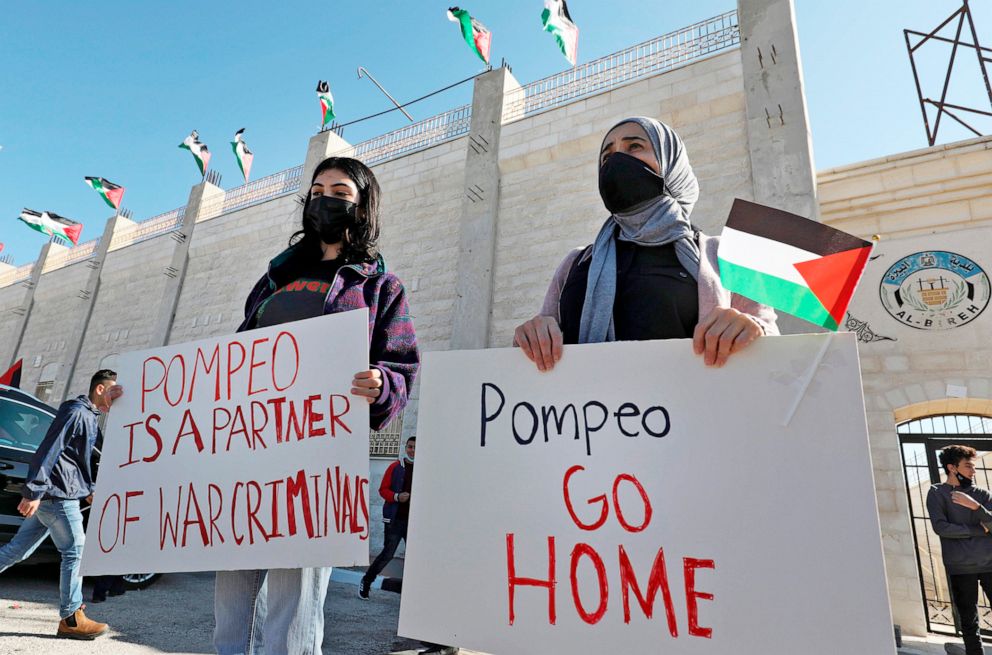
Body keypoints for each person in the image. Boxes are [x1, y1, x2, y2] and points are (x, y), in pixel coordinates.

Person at [215, 156, 420, 655]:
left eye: (341, 191)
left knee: (295, 596)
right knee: (232, 592)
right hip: (252, 448)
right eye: (317, 189)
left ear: (363, 204)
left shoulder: (378, 287)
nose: (325, 199)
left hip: (318, 459)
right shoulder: (274, 280)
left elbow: (403, 364)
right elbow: (231, 360)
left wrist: (381, 383)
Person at [513, 116, 777, 370]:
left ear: (670, 161)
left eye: (635, 146)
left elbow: (775, 344)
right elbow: (540, 347)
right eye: (607, 155)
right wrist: (532, 336)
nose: (616, 159)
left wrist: (752, 330)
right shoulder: (576, 263)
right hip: (588, 414)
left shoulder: (725, 256)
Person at [0, 369, 121, 640]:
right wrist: (33, 491)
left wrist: (88, 489)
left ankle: (71, 616)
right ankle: (72, 618)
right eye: (114, 390)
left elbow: (77, 460)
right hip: (59, 496)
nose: (118, 397)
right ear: (100, 389)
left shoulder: (88, 415)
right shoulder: (77, 412)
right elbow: (50, 448)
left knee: (17, 550)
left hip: (61, 493)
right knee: (75, 552)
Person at [926, 445, 992, 655]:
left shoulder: (981, 494)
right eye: (968, 466)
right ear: (952, 468)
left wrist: (976, 507)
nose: (974, 471)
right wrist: (979, 529)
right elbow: (941, 528)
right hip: (960, 567)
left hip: (990, 563)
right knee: (969, 621)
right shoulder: (937, 493)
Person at [360, 436, 415, 600]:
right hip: (395, 520)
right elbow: (382, 490)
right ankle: (366, 581)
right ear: (406, 448)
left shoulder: (423, 470)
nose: (413, 450)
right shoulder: (396, 467)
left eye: (416, 447)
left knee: (415, 556)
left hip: (414, 523)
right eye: (410, 446)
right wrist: (397, 496)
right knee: (387, 554)